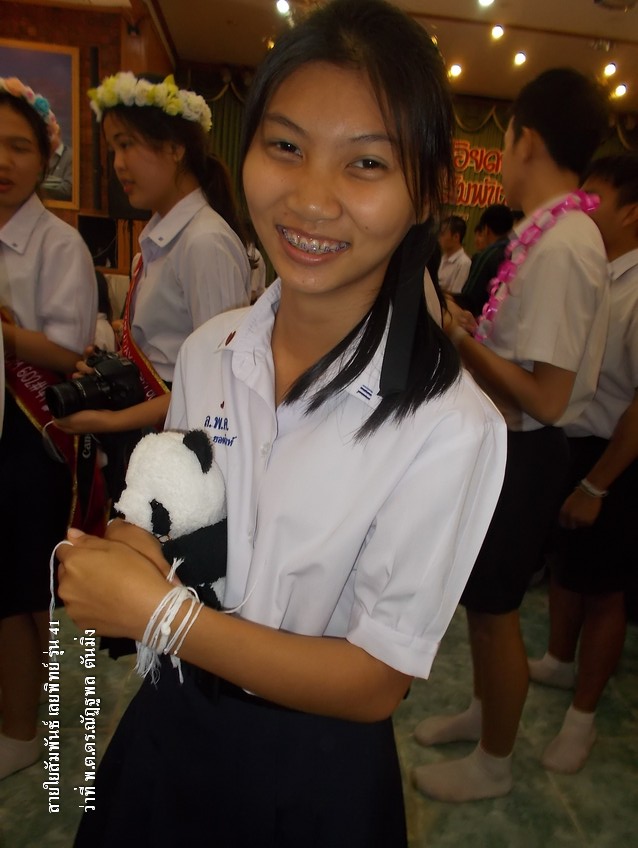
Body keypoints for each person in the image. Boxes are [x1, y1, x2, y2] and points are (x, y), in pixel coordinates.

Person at [56, 2, 507, 844]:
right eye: (286, 147)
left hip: (311, 767)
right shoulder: (210, 351)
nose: (310, 199)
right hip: (170, 720)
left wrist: (162, 617)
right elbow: (184, 519)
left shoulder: (452, 427)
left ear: (424, 194)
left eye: (366, 162)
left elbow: (374, 681)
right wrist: (133, 547)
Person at [413, 67, 610, 802]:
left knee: (497, 614)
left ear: (525, 140)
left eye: (505, 142)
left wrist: (459, 340)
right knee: (482, 604)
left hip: (526, 449)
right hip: (509, 441)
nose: (502, 156)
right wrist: (475, 331)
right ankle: (483, 714)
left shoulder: (564, 245)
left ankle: (494, 763)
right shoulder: (551, 234)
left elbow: (549, 397)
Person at [53, 72, 252, 500]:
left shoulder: (204, 243)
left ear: (176, 148)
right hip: (151, 437)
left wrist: (109, 421)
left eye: (127, 144)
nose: (118, 163)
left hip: (180, 451)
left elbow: (219, 383)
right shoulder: (159, 239)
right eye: (113, 149)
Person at [528, 153, 638, 774]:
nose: (580, 207)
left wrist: (596, 485)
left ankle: (584, 718)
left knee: (604, 589)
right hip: (571, 442)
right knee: (567, 569)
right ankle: (558, 660)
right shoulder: (593, 268)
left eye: (594, 197)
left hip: (613, 456)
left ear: (632, 212)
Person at [0, 77, 97, 780]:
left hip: (28, 436)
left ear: (44, 159)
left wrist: (7, 333)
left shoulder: (59, 245)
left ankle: (21, 729)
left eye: (18, 147)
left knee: (17, 588)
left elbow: (70, 354)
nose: (3, 161)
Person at [456, 203, 514, 316]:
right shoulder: (517, 252)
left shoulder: (487, 255)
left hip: (483, 319)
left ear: (486, 229)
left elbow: (469, 298)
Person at [437, 213, 471, 294]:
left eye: (442, 234)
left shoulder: (464, 263)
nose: (439, 238)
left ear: (456, 237)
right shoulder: (442, 257)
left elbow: (455, 294)